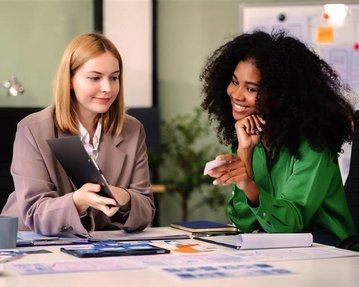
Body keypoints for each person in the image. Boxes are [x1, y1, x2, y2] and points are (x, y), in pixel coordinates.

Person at [200, 29, 358, 247]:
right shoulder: (247, 136)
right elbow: (243, 222)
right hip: (278, 251)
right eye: (235, 81)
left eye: (251, 88)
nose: (236, 94)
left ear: (279, 94)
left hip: (329, 251)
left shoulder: (314, 144)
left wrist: (247, 183)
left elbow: (291, 224)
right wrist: (244, 154)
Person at [1, 33, 155, 236]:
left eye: (114, 77)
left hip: (100, 247)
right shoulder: (32, 129)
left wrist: (125, 197)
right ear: (70, 80)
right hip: (33, 242)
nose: (107, 88)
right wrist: (77, 202)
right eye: (95, 77)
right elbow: (34, 212)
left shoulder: (132, 130)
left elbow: (146, 209)